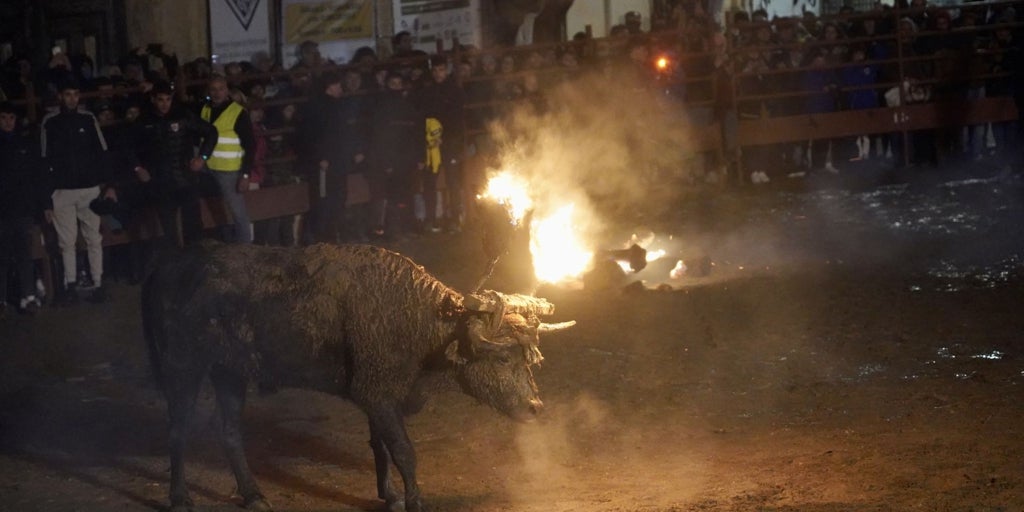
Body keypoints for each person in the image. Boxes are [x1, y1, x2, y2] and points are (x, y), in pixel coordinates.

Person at [40, 79, 109, 304]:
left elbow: (101, 152)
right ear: (60, 96)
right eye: (68, 94)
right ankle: (70, 284)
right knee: (66, 242)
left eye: (76, 94)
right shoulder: (50, 122)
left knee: (93, 238)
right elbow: (44, 159)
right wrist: (47, 197)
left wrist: (105, 184)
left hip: (88, 188)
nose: (72, 99)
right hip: (62, 189)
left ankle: (98, 283)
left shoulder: (88, 119)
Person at [134, 81, 218, 247]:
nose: (165, 104)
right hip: (161, 181)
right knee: (168, 231)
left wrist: (202, 158)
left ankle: (195, 259)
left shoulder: (182, 115)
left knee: (194, 228)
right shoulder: (144, 120)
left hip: (185, 177)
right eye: (160, 99)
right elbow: (128, 147)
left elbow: (211, 132)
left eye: (168, 99)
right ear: (153, 99)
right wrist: (137, 168)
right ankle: (174, 260)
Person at [0, 101, 51, 316]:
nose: (8, 122)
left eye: (11, 117)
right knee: (2, 257)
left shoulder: (25, 144)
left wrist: (44, 205)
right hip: (2, 211)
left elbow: (37, 176)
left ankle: (28, 297)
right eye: (3, 117)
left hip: (23, 209)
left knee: (25, 255)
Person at [200, 75, 254, 244]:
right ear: (208, 91)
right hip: (208, 168)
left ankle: (245, 247)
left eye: (221, 89)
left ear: (227, 91)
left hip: (229, 170)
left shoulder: (238, 113)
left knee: (237, 212)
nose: (217, 93)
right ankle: (228, 242)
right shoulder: (205, 109)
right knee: (217, 208)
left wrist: (245, 174)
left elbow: (250, 145)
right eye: (213, 89)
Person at [415, 56, 466, 233]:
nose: (438, 74)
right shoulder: (428, 91)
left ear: (447, 70)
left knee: (452, 181)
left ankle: (453, 219)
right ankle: (432, 219)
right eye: (436, 70)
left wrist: (446, 137)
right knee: (432, 181)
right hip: (433, 143)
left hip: (448, 142)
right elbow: (423, 117)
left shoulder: (453, 91)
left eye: (441, 70)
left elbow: (457, 119)